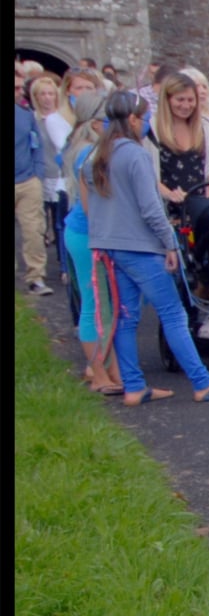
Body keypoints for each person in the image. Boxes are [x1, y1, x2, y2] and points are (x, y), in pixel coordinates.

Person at [86, 90, 209, 405]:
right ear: (134, 119)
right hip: (140, 246)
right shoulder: (135, 154)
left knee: (125, 317)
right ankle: (203, 383)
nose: (148, 122)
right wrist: (168, 244)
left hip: (109, 246)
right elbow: (151, 208)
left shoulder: (100, 153)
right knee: (174, 313)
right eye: (145, 117)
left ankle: (133, 386)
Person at [59, 89, 120, 393]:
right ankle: (98, 372)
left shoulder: (77, 146)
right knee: (95, 304)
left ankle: (105, 369)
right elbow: (91, 202)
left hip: (80, 231)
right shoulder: (90, 152)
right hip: (88, 233)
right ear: (97, 122)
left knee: (99, 304)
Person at [146, 70, 209, 210]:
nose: (186, 106)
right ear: (167, 100)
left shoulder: (205, 127)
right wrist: (168, 194)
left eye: (190, 100)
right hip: (164, 208)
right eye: (180, 100)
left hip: (199, 207)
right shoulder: (151, 128)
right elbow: (146, 173)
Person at [15, 90, 52, 295]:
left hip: (28, 180)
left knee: (34, 231)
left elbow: (37, 144)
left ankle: (36, 277)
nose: (20, 93)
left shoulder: (25, 114)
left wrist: (37, 174)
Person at [30, 74, 70, 254]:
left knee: (60, 222)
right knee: (37, 224)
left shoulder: (63, 119)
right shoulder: (32, 119)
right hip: (39, 175)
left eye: (50, 94)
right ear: (36, 97)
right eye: (42, 94)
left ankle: (63, 263)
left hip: (59, 175)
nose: (47, 98)